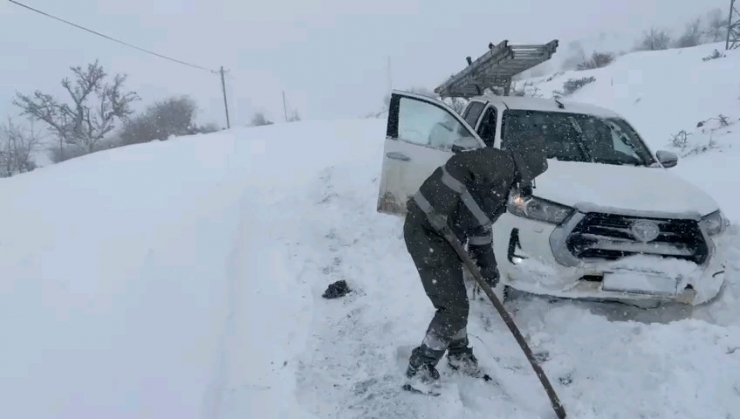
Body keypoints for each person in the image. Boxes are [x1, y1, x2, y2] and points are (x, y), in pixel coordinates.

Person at [402, 130, 549, 388]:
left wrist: (487, 266)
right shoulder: (501, 162)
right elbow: (457, 166)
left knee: (456, 302)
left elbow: (480, 227)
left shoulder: (504, 188)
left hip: (445, 237)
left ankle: (458, 354)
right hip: (427, 230)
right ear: (526, 165)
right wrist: (440, 207)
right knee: (453, 307)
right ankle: (421, 366)